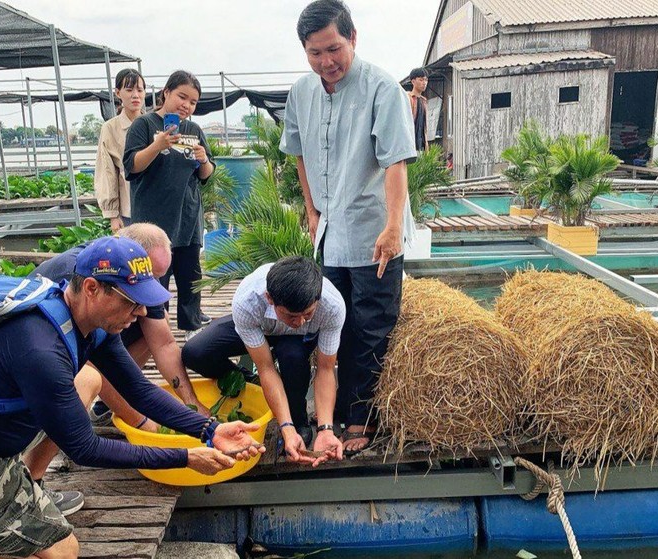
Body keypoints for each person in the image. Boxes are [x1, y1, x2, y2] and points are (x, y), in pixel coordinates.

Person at [0, 236, 264, 559]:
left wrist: (210, 429)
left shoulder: (87, 320)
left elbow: (138, 390)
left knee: (87, 386)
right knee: (61, 551)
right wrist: (186, 457)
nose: (139, 315)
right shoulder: (38, 348)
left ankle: (26, 492)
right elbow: (83, 448)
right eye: (132, 303)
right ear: (92, 288)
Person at [280, 0, 418, 454]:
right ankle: (330, 414)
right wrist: (311, 209)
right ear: (304, 51)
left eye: (334, 48)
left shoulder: (382, 88)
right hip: (329, 232)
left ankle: (362, 418)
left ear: (353, 38)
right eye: (316, 53)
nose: (327, 62)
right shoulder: (301, 93)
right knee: (328, 325)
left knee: (370, 328)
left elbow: (395, 162)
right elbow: (298, 153)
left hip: (374, 231)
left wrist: (393, 226)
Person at [31, 223, 211, 431]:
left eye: (159, 278)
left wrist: (193, 407)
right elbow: (92, 362)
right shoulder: (81, 275)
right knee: (89, 379)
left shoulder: (137, 276)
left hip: (90, 338)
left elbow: (164, 344)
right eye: (151, 277)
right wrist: (141, 422)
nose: (155, 284)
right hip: (48, 359)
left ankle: (113, 401)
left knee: (158, 320)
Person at [183, 256, 346, 466]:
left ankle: (297, 423)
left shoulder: (333, 306)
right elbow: (266, 367)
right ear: (269, 298)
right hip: (259, 327)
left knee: (293, 357)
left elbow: (325, 369)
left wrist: (325, 428)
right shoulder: (247, 300)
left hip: (295, 342)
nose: (299, 322)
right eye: (291, 316)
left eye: (307, 314)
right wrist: (281, 421)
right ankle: (252, 384)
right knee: (195, 351)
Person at [123, 70, 213, 339]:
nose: (186, 105)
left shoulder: (194, 130)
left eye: (193, 102)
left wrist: (203, 159)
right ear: (166, 93)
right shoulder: (145, 125)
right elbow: (132, 166)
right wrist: (158, 144)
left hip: (186, 219)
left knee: (189, 277)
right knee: (153, 277)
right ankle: (152, 331)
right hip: (152, 221)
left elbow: (206, 174)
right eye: (182, 97)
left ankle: (191, 327)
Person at [94, 68, 145, 233]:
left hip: (158, 204)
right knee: (133, 255)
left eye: (140, 90)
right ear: (118, 93)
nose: (135, 95)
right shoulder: (110, 128)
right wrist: (112, 214)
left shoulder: (153, 123)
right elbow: (107, 171)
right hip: (129, 208)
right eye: (129, 90)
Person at [407, 67, 429, 152]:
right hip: (410, 144)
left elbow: (425, 126)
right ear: (413, 81)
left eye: (426, 80)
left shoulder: (424, 101)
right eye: (421, 80)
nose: (424, 83)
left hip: (421, 144)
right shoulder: (408, 98)